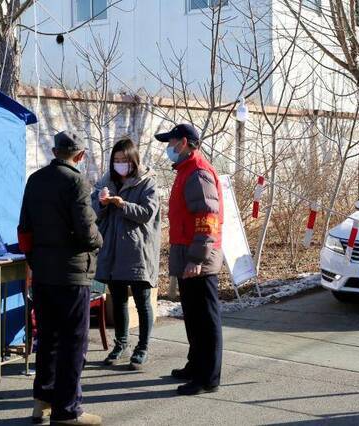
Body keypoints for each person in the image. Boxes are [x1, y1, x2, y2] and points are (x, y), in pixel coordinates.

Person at [18, 131, 103, 426]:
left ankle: (41, 401)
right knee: (73, 343)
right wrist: (98, 239)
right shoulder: (77, 182)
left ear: (55, 151)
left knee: (48, 339)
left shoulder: (35, 180)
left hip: (43, 273)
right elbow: (86, 230)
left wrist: (34, 261)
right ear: (79, 156)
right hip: (72, 274)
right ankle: (67, 411)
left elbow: (24, 229)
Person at [154, 123, 224, 396]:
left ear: (183, 142)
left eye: (170, 143)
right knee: (194, 316)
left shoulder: (198, 172)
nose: (168, 148)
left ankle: (208, 377)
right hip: (188, 254)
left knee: (206, 320)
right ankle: (196, 365)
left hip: (199, 259)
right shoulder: (186, 171)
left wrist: (197, 257)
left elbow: (207, 217)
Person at [92, 138, 161, 370]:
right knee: (118, 300)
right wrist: (102, 203)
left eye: (124, 160)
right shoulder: (106, 181)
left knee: (142, 301)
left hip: (137, 250)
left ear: (134, 160)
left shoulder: (147, 182)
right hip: (112, 249)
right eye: (116, 160)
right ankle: (121, 344)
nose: (120, 164)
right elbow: (93, 211)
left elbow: (147, 213)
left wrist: (122, 205)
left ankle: (143, 347)